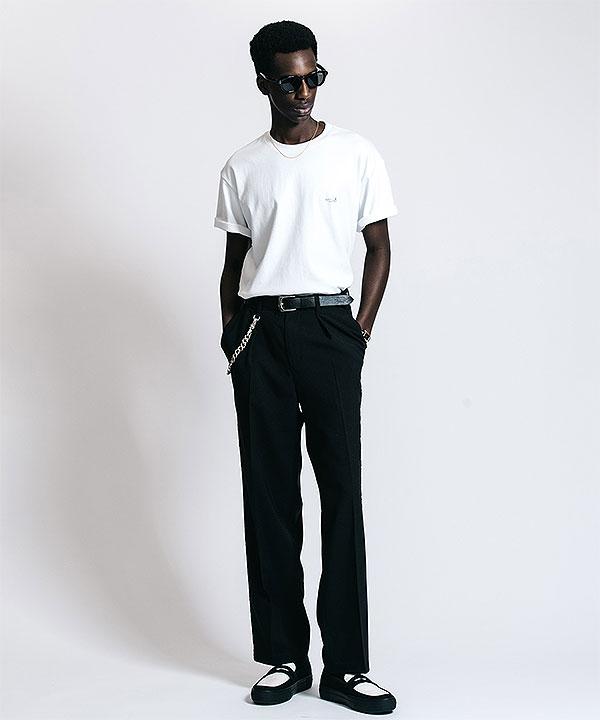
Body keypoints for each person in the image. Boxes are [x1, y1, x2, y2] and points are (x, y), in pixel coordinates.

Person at [213, 19, 398, 715]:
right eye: (289, 81)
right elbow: (232, 266)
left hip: (329, 330)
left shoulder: (355, 154)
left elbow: (379, 247)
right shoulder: (242, 167)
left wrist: (358, 332)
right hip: (261, 333)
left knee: (341, 494)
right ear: (263, 82)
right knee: (269, 498)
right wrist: (234, 339)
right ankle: (285, 656)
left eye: (312, 77)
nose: (303, 91)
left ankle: (346, 667)